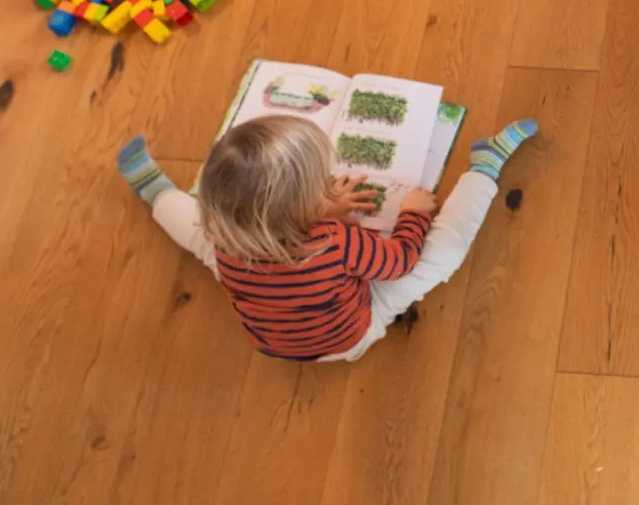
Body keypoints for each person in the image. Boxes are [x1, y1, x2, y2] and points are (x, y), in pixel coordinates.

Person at [116, 115, 537, 362]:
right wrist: (411, 214)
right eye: (322, 184)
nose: (331, 183)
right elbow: (401, 261)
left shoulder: (226, 234)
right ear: (302, 211)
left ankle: (154, 190)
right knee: (442, 253)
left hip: (270, 340)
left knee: (197, 233)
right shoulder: (333, 242)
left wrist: (322, 205)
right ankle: (486, 166)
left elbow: (281, 227)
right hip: (348, 338)